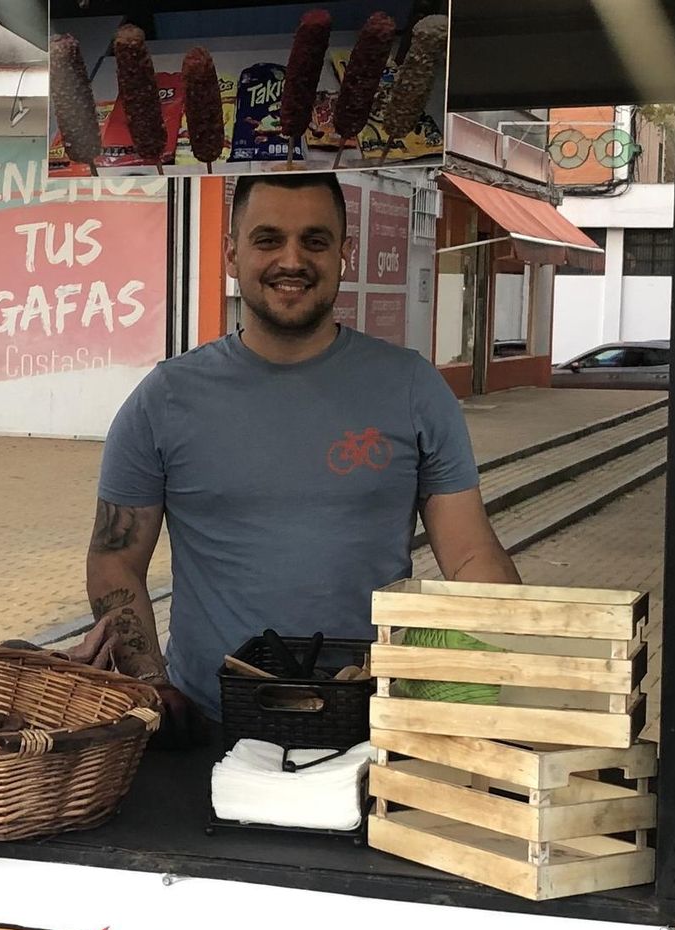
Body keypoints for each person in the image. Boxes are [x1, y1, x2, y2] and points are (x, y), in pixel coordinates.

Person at [86, 172, 519, 741]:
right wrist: (151, 683)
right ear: (232, 254)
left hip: (371, 720)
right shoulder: (165, 399)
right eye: (268, 240)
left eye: (315, 241)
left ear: (345, 254)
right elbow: (116, 559)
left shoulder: (411, 387)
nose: (292, 260)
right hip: (211, 722)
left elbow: (469, 556)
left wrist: (518, 649)